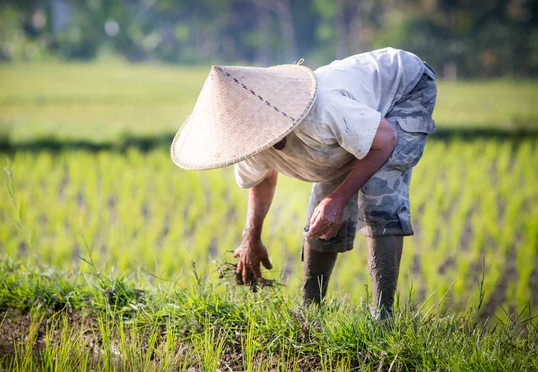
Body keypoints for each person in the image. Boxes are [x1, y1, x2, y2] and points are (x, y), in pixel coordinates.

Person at [171, 47, 437, 318]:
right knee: (320, 211)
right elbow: (260, 179)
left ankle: (382, 318)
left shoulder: (320, 113)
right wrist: (251, 237)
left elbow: (385, 140)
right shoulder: (250, 141)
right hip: (352, 122)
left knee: (380, 197)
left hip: (405, 89)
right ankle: (310, 312)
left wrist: (340, 198)